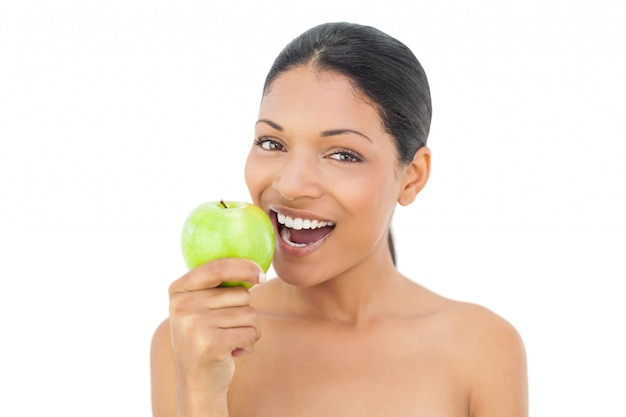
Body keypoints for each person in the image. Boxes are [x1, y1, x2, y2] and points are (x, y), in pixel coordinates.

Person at [150, 22, 528, 417]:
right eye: (272, 143)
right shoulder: (193, 341)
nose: (291, 184)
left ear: (412, 176)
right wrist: (200, 389)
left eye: (342, 154)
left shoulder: (483, 350)